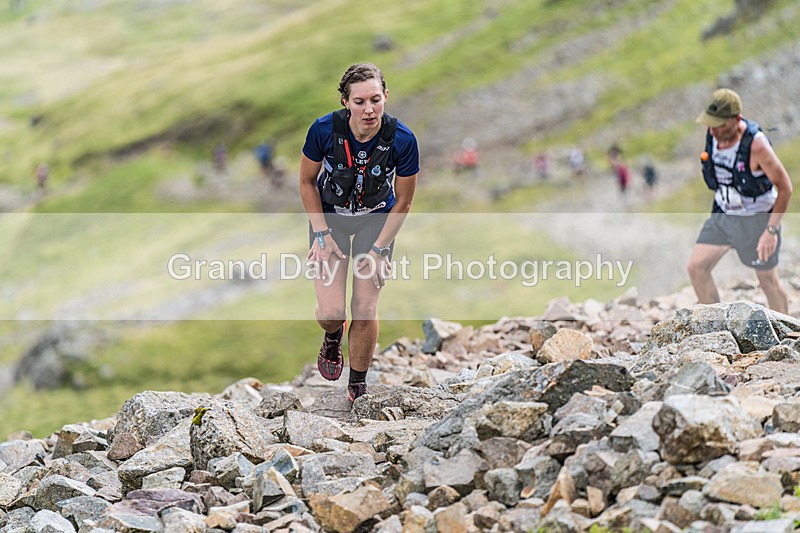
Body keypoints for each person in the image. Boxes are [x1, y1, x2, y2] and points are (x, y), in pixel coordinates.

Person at [299, 63, 419, 403]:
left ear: (385, 97)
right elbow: (307, 182)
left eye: (376, 100)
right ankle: (333, 336)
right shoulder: (323, 130)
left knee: (365, 306)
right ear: (345, 102)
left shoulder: (402, 139)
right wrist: (321, 233)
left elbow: (405, 201)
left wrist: (381, 250)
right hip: (330, 219)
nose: (369, 109)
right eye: (360, 101)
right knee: (331, 312)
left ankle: (358, 386)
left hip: (376, 221)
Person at [687, 88, 792, 313]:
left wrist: (770, 231)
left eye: (720, 125)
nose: (714, 131)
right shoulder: (712, 132)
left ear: (736, 119)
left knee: (767, 281)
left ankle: (788, 335)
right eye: (711, 124)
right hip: (724, 212)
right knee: (696, 268)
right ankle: (716, 329)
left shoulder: (757, 146)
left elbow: (785, 188)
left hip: (757, 219)